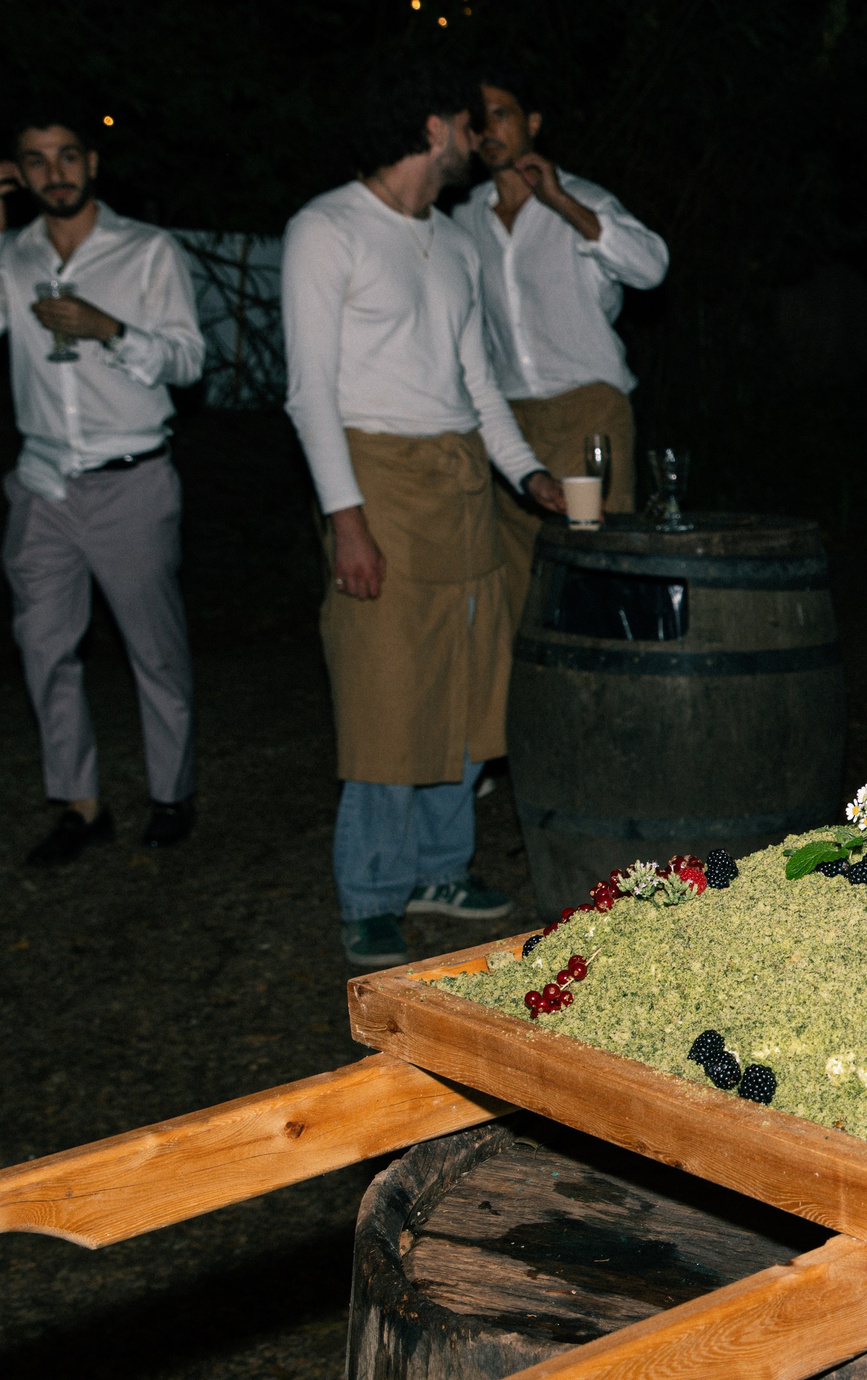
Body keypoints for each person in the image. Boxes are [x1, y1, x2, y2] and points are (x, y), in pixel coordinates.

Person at [282, 64, 567, 968]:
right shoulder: (326, 229)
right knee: (387, 688)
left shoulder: (450, 240)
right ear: (432, 128)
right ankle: (371, 893)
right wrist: (347, 520)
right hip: (377, 478)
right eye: (470, 124)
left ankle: (443, 870)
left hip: (459, 485)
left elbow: (476, 379)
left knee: (469, 678)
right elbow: (307, 394)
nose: (481, 139)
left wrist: (527, 475)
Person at [0, 113, 207, 866]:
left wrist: (108, 328)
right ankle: (79, 805)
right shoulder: (13, 253)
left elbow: (190, 360)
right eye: (35, 162)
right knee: (46, 650)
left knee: (154, 651)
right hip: (43, 483)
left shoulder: (146, 249)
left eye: (66, 157)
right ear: (17, 175)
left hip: (131, 478)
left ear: (92, 162)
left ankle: (171, 793)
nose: (54, 173)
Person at [457, 73, 670, 610]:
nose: (489, 129)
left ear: (532, 123)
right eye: (479, 118)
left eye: (502, 114)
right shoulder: (463, 220)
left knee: (596, 568)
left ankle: (609, 685)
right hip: (510, 420)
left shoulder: (584, 199)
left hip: (586, 413)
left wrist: (561, 203)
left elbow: (651, 267)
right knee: (519, 580)